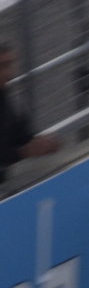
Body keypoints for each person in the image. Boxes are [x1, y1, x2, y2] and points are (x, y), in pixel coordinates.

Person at [0, 43, 59, 186]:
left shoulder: (4, 95)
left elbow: (19, 132)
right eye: (3, 66)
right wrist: (24, 152)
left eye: (11, 64)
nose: (10, 73)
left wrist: (40, 143)